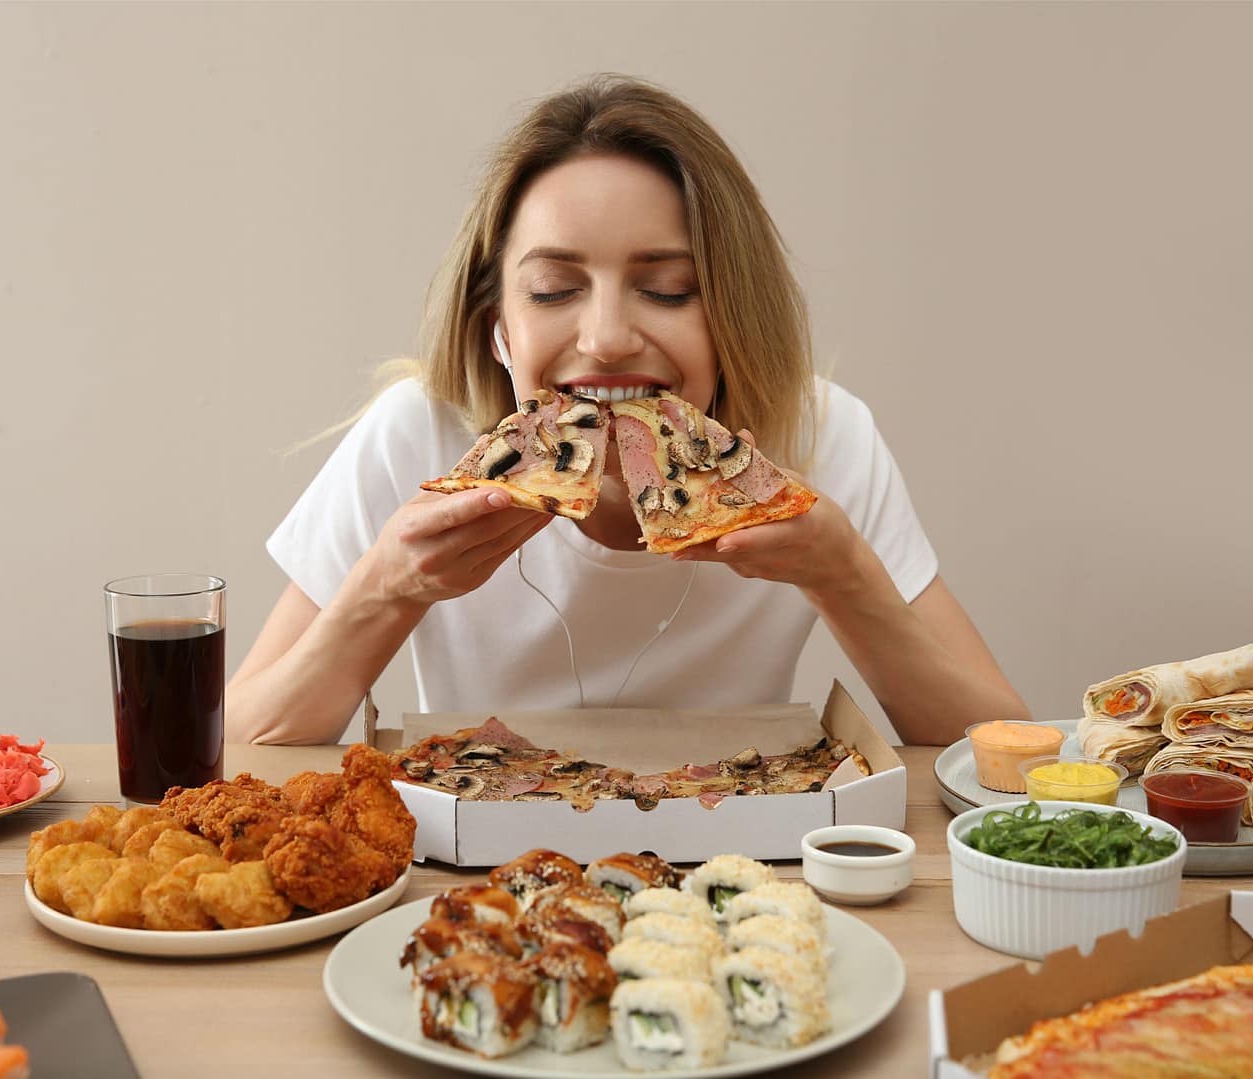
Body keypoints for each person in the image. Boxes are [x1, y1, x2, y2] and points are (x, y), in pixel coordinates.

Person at [228, 74, 1029, 747]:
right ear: (498, 324)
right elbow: (227, 746)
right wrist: (386, 589)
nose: (607, 339)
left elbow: (1005, 753)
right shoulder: (418, 435)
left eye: (667, 290)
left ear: (732, 315)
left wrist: (844, 575)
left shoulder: (820, 438)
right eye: (553, 290)